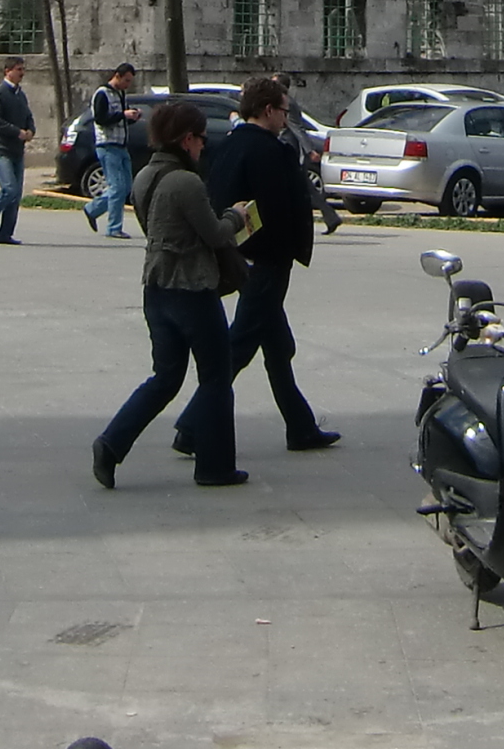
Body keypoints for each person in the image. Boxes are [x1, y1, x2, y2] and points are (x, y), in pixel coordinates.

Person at [177, 75, 339, 456]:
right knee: (240, 344)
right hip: (267, 261)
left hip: (246, 257)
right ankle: (191, 426)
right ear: (268, 110)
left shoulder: (229, 144)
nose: (286, 117)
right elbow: (277, 208)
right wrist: (284, 248)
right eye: (283, 110)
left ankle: (301, 426)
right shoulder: (268, 151)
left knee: (278, 347)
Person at [92, 100, 248, 489]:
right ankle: (214, 466)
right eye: (200, 139)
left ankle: (111, 444)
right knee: (216, 375)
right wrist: (237, 216)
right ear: (186, 139)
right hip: (192, 289)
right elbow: (215, 234)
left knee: (165, 377)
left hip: (156, 288)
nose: (203, 146)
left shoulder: (145, 176)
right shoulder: (186, 182)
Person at [82, 63, 142, 238]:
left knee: (126, 186)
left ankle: (92, 209)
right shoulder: (102, 94)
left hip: (121, 144)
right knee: (116, 187)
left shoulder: (120, 94)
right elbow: (101, 119)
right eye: (126, 80)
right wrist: (123, 115)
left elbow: (119, 119)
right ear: (117, 76)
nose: (128, 85)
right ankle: (114, 228)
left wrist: (132, 117)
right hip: (107, 145)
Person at [0, 58, 35, 244]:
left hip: (17, 152)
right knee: (9, 189)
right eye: (18, 69)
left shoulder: (20, 95)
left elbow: (28, 116)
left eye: (23, 69)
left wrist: (30, 131)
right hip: (0, 151)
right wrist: (17, 132)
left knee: (16, 195)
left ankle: (5, 234)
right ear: (7, 71)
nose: (22, 73)